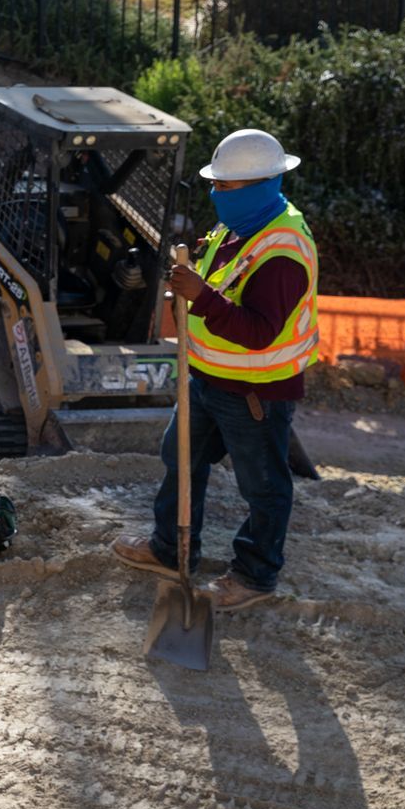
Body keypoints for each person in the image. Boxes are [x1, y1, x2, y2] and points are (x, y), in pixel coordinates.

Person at [112, 128, 318, 613]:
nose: (215, 194)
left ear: (260, 185)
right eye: (216, 185)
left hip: (255, 392)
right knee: (180, 459)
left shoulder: (283, 253)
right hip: (207, 378)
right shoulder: (240, 227)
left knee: (264, 486)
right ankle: (170, 548)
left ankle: (255, 574)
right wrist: (190, 289)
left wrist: (200, 297)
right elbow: (218, 281)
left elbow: (259, 331)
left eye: (224, 186)